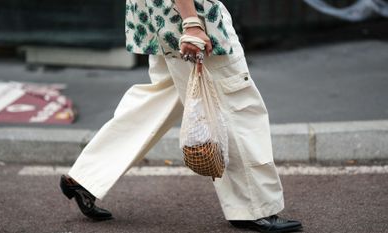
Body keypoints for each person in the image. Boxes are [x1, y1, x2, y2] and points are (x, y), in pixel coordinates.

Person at [59, 0, 303, 232]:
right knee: (234, 105)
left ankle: (86, 177)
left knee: (162, 99)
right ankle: (254, 209)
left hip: (161, 14)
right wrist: (191, 23)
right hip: (188, 15)